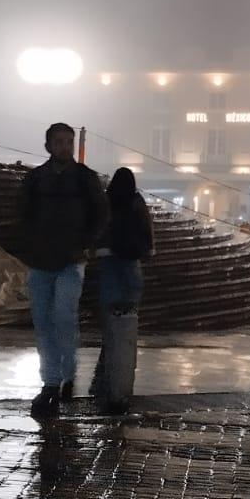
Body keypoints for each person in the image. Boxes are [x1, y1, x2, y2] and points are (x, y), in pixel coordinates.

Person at [19, 122, 107, 418]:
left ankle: (65, 374)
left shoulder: (85, 178)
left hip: (71, 260)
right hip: (40, 260)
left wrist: (87, 245)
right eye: (59, 142)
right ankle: (52, 381)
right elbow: (22, 215)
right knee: (44, 322)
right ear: (48, 146)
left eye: (68, 142)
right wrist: (27, 248)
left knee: (63, 318)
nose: (64, 147)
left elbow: (100, 214)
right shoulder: (35, 179)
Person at [88, 167, 156, 397]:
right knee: (128, 314)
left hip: (109, 259)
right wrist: (149, 249)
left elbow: (98, 226)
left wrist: (96, 248)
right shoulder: (136, 201)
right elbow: (146, 226)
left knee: (111, 313)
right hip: (131, 260)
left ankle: (107, 362)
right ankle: (123, 364)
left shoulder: (107, 201)